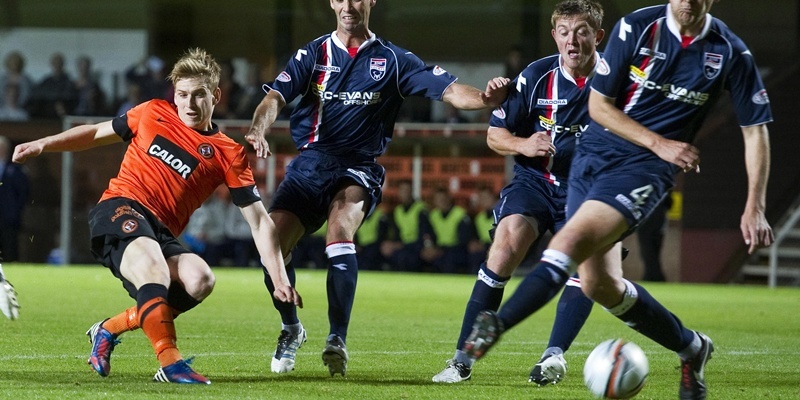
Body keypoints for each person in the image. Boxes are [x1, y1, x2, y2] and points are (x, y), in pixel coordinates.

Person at [464, 2, 774, 400]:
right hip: (593, 158)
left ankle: (497, 326)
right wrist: (660, 141)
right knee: (601, 284)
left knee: (569, 243)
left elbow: (755, 131)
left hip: (642, 169)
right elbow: (598, 105)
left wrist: (755, 204)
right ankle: (693, 347)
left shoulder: (730, 52)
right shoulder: (638, 27)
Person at [245, 0, 509, 377]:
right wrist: (258, 128)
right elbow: (275, 98)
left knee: (339, 231)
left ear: (371, 2)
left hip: (358, 166)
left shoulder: (394, 59)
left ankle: (337, 338)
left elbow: (449, 90)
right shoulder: (314, 53)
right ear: (332, 3)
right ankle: (291, 328)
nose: (349, 5)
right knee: (270, 242)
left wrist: (484, 99)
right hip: (311, 163)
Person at [12, 48, 302, 384]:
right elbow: (94, 133)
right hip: (119, 208)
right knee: (155, 270)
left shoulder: (227, 152)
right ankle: (170, 361)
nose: (189, 104)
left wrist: (280, 279)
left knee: (200, 279)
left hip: (159, 231)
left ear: (216, 96)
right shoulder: (151, 113)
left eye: (199, 95)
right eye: (182, 95)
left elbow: (259, 221)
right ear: (173, 95)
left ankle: (107, 329)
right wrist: (43, 144)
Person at [432, 0, 608, 383]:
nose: (571, 41)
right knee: (506, 244)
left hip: (589, 189)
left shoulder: (618, 80)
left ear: (598, 35)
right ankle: (462, 359)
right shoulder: (535, 76)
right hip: (536, 182)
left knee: (586, 269)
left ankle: (553, 357)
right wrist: (524, 145)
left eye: (581, 32)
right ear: (554, 36)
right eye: (564, 32)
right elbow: (495, 135)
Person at [383, 180, 433, 272]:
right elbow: (396, 233)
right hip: (403, 246)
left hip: (417, 246)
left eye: (407, 190)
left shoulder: (421, 209)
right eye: (402, 190)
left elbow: (425, 232)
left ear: (411, 191)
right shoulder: (397, 211)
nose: (404, 193)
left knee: (408, 258)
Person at [422, 187, 473, 274]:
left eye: (443, 198)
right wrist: (429, 247)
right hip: (439, 249)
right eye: (438, 199)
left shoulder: (460, 214)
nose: (441, 201)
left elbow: (464, 241)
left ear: (449, 198)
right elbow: (428, 235)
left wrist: (441, 250)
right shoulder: (433, 215)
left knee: (448, 259)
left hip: (456, 250)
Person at [0, 135, 30, 262]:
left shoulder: (16, 168)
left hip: (8, 216)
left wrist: (15, 210)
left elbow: (23, 192)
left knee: (10, 245)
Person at [27, 52, 77, 119]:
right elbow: (38, 94)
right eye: (55, 63)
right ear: (52, 64)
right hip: (47, 113)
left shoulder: (68, 81)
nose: (57, 65)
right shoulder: (46, 81)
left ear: (62, 64)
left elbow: (70, 96)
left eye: (59, 63)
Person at [638, 190, 673, 281]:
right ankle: (654, 276)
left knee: (648, 253)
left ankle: (653, 276)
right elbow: (670, 204)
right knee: (653, 253)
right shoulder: (664, 193)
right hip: (657, 228)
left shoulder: (647, 195)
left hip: (647, 227)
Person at [466, 186, 496, 274]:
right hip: (484, 248)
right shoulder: (479, 217)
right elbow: (476, 236)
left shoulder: (500, 214)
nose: (484, 200)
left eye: (486, 197)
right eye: (481, 198)